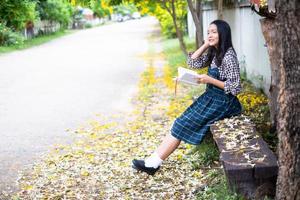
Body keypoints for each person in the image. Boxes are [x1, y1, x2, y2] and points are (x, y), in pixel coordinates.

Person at [132, 20, 242, 175]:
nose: (210, 35)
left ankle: (153, 163)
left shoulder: (228, 57)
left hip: (224, 102)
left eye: (214, 32)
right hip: (211, 98)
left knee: (181, 124)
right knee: (180, 123)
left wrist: (210, 80)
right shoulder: (214, 52)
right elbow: (192, 63)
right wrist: (205, 45)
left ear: (223, 34)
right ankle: (152, 162)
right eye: (208, 32)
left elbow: (236, 87)